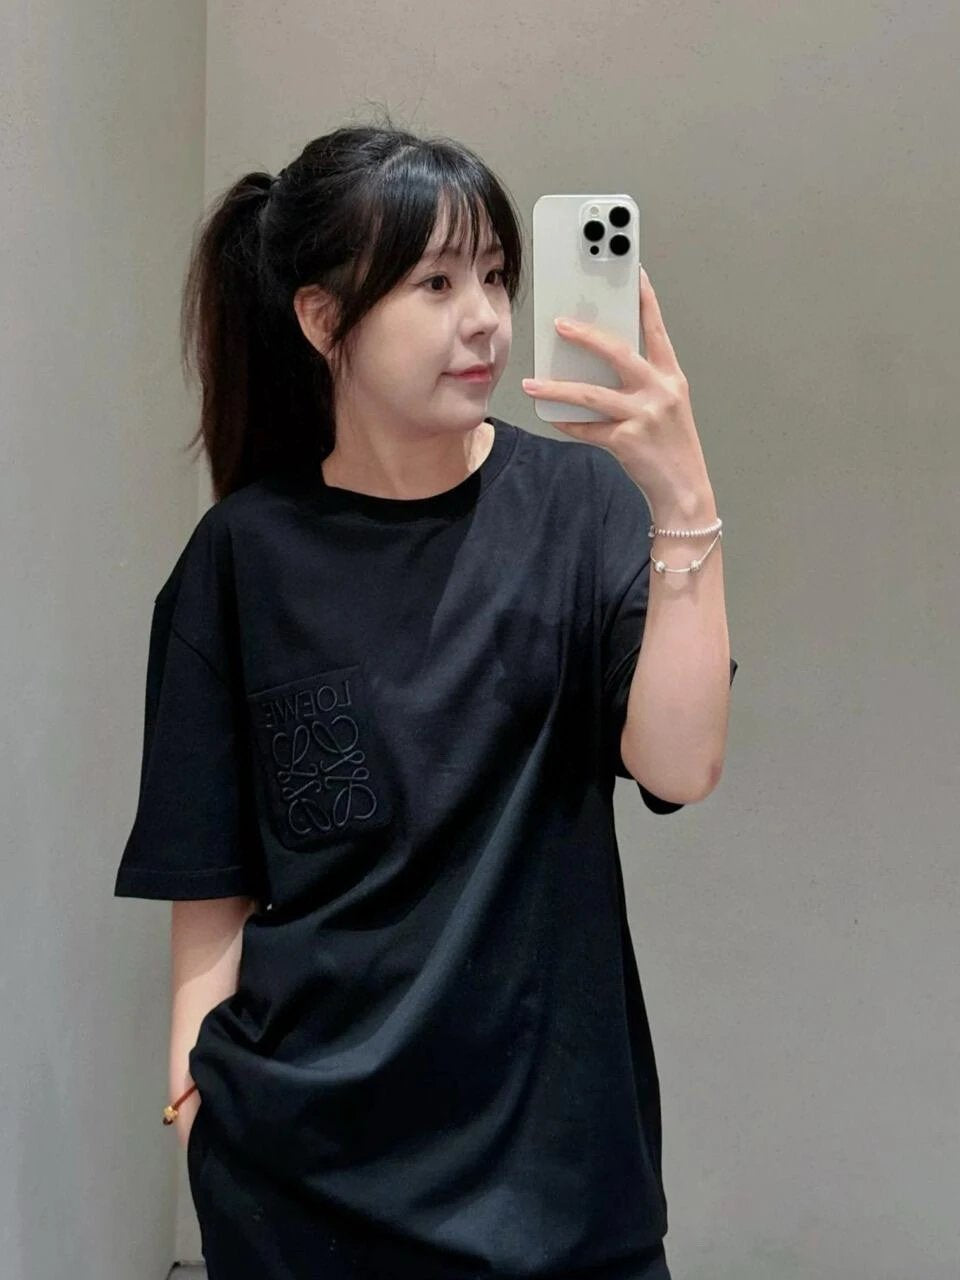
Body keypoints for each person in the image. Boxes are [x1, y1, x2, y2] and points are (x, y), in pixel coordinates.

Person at [115, 113, 737, 1280]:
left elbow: (680, 762)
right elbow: (210, 880)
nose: (487, 316)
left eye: (495, 274)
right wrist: (193, 1105)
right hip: (298, 1192)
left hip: (559, 1187)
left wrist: (683, 499)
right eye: (437, 281)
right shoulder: (241, 556)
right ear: (322, 319)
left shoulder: (580, 509)